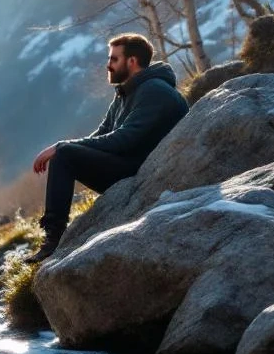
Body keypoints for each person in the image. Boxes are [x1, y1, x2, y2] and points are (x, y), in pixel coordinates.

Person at [26, 33, 189, 262]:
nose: (108, 65)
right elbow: (102, 134)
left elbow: (123, 140)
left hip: (146, 173)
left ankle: (54, 240)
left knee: (64, 154)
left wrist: (61, 147)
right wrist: (63, 147)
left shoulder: (155, 91)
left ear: (132, 61)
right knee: (65, 153)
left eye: (114, 59)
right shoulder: (126, 91)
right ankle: (53, 237)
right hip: (128, 164)